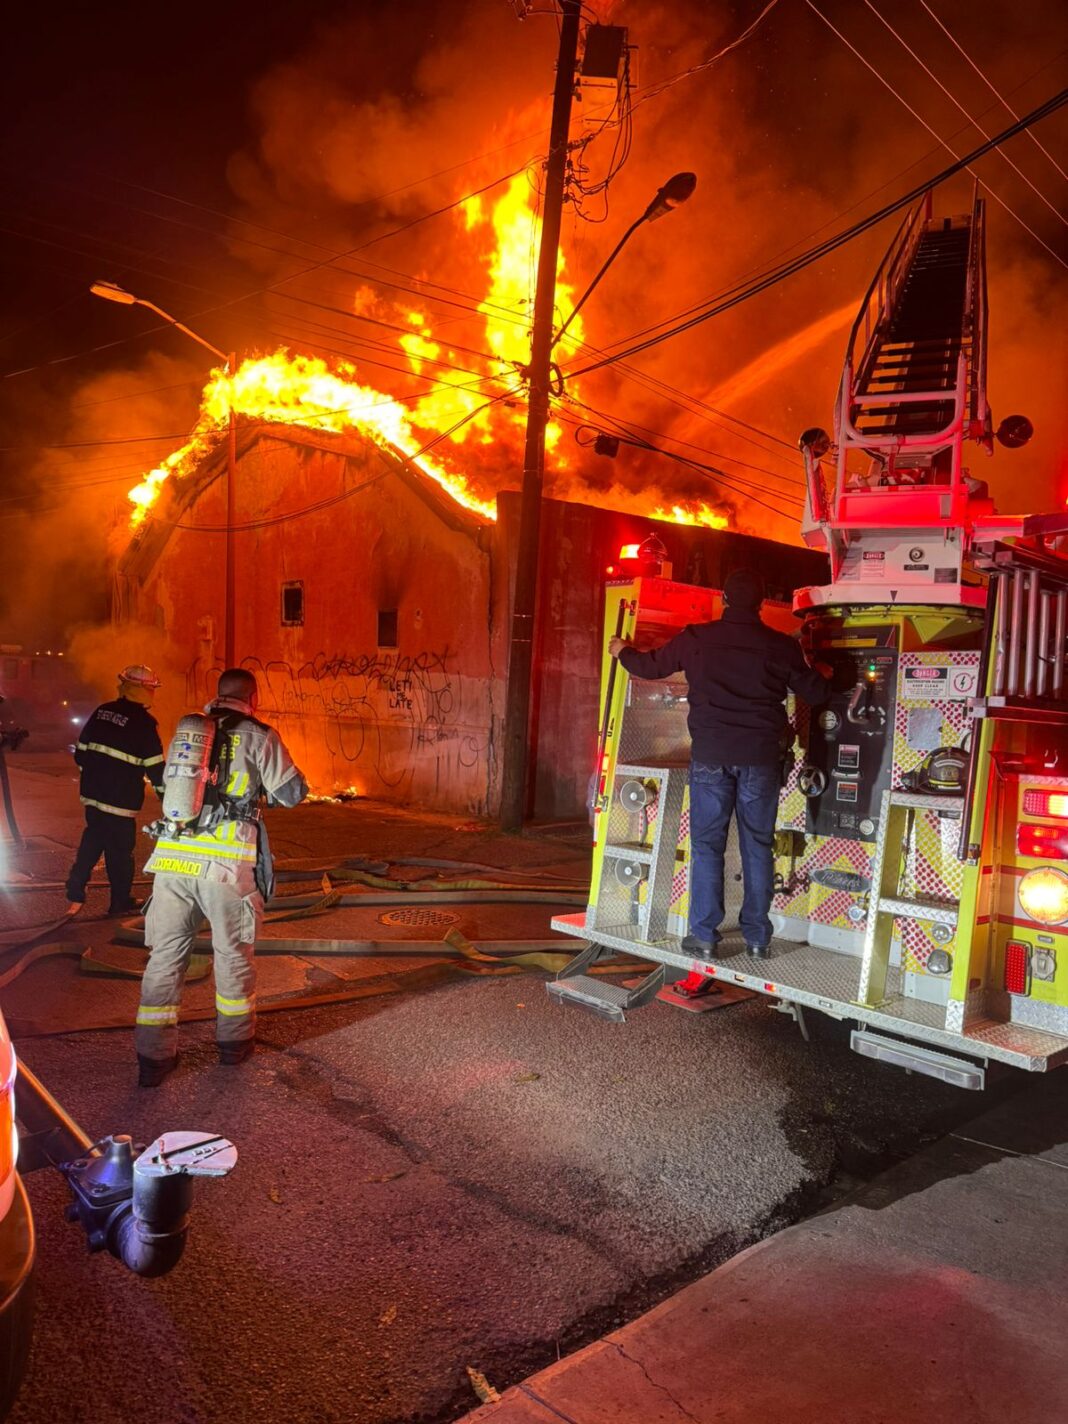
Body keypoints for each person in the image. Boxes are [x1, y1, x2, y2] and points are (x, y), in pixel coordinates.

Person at [609, 568, 830, 961]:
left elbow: (650, 667)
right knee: (757, 846)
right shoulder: (779, 646)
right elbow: (815, 691)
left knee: (708, 846)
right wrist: (826, 672)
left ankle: (705, 936)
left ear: (725, 600)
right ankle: (758, 938)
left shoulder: (697, 639)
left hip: (711, 757)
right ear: (761, 604)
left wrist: (621, 650)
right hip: (761, 760)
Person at [135, 667, 308, 1087]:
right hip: (226, 868)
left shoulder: (191, 731)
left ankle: (153, 1058)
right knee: (232, 955)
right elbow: (292, 793)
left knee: (165, 957)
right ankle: (234, 1045)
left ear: (218, 696)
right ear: (253, 699)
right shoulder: (260, 734)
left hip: (172, 863)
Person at [65, 664, 166, 917]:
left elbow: (80, 752)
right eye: (151, 689)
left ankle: (76, 886)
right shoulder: (144, 724)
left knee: (94, 837)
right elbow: (156, 769)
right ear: (143, 690)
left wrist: (96, 774)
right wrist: (171, 801)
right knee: (119, 851)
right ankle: (119, 902)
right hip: (120, 801)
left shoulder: (102, 711)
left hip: (93, 795)